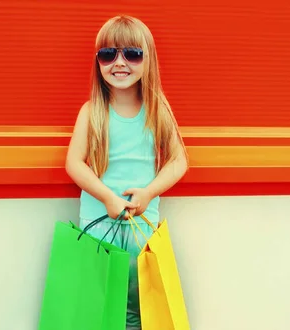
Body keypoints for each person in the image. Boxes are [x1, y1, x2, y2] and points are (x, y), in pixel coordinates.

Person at [65, 14, 188, 330]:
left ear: (148, 60)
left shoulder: (157, 108)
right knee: (99, 303)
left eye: (132, 54)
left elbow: (178, 161)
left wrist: (148, 193)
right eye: (108, 54)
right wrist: (107, 197)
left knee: (138, 307)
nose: (119, 63)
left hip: (141, 226)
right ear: (98, 62)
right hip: (97, 222)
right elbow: (74, 163)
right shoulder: (92, 111)